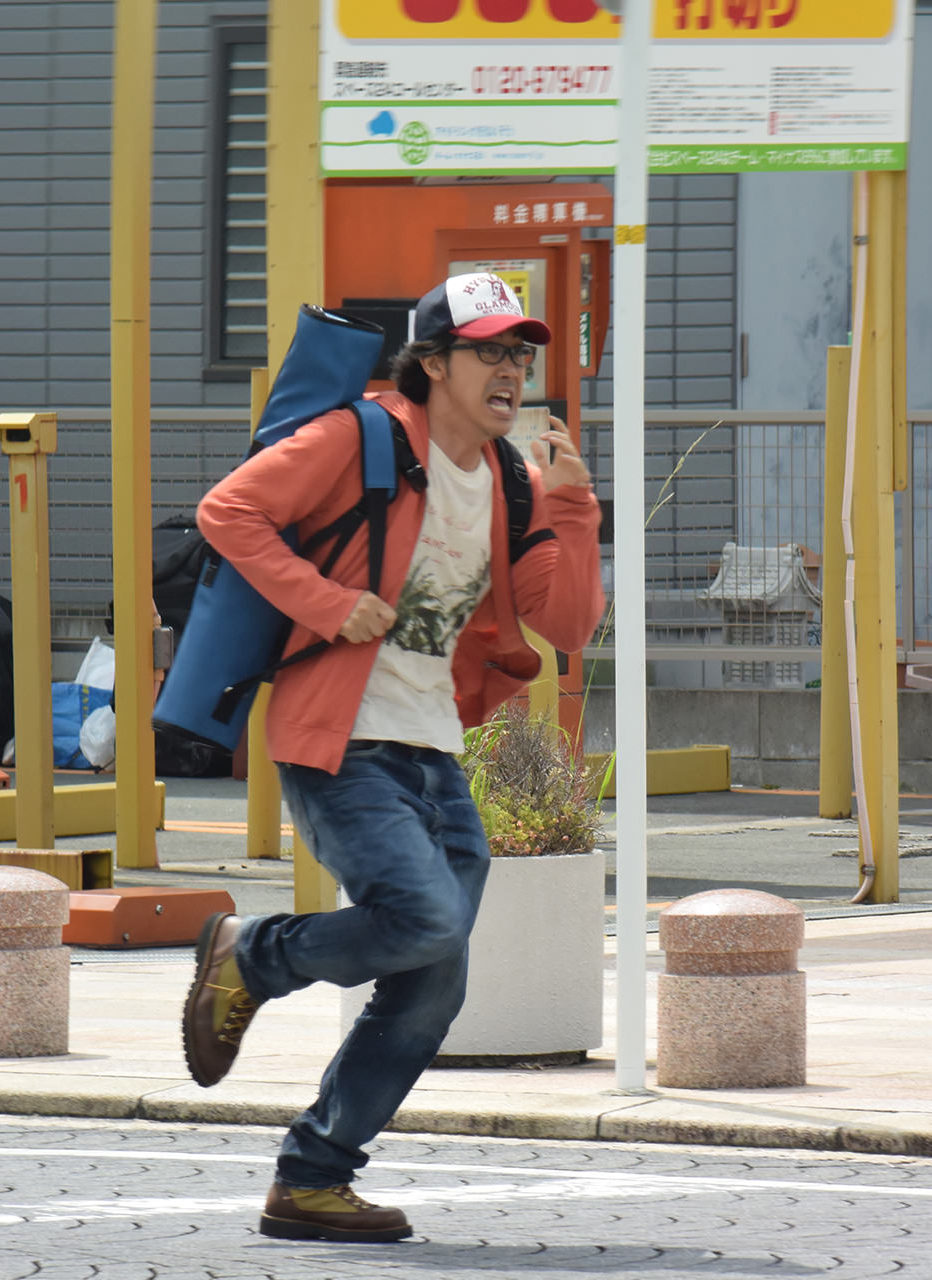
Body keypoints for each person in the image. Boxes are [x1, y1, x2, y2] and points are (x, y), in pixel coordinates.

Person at [180, 272, 605, 1244]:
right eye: (490, 351)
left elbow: (568, 623)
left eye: (520, 353)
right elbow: (229, 511)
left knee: (435, 980)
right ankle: (254, 953)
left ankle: (312, 1178)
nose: (511, 370)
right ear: (435, 363)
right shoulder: (360, 437)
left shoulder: (511, 481)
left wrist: (576, 506)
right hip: (340, 737)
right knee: (422, 918)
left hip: (432, 746)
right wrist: (328, 604)